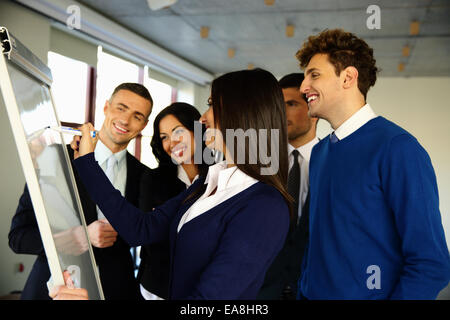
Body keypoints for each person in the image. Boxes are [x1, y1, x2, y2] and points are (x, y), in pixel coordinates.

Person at [52, 68, 291, 300]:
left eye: (212, 105)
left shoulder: (264, 207)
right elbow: (140, 228)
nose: (203, 117)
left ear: (241, 112)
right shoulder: (206, 182)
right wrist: (86, 162)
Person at [296, 29, 450, 299]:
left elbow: (431, 263)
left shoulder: (398, 148)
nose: (303, 87)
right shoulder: (320, 152)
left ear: (348, 77)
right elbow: (316, 243)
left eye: (314, 75)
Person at [9, 82, 153, 300]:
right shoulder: (55, 159)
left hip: (115, 291)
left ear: (144, 124)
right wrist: (76, 237)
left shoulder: (145, 176)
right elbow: (18, 238)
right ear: (106, 107)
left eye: (137, 116)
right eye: (121, 108)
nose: (125, 120)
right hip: (53, 290)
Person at [138, 102, 208, 300]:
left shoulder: (220, 174)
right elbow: (150, 234)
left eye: (178, 132)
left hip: (206, 287)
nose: (172, 143)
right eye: (164, 137)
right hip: (158, 288)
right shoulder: (152, 179)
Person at [257, 73, 318, 300]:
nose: (280, 113)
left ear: (313, 108)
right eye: (277, 106)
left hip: (314, 288)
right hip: (262, 290)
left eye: (291, 104)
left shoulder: (337, 163)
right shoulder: (257, 165)